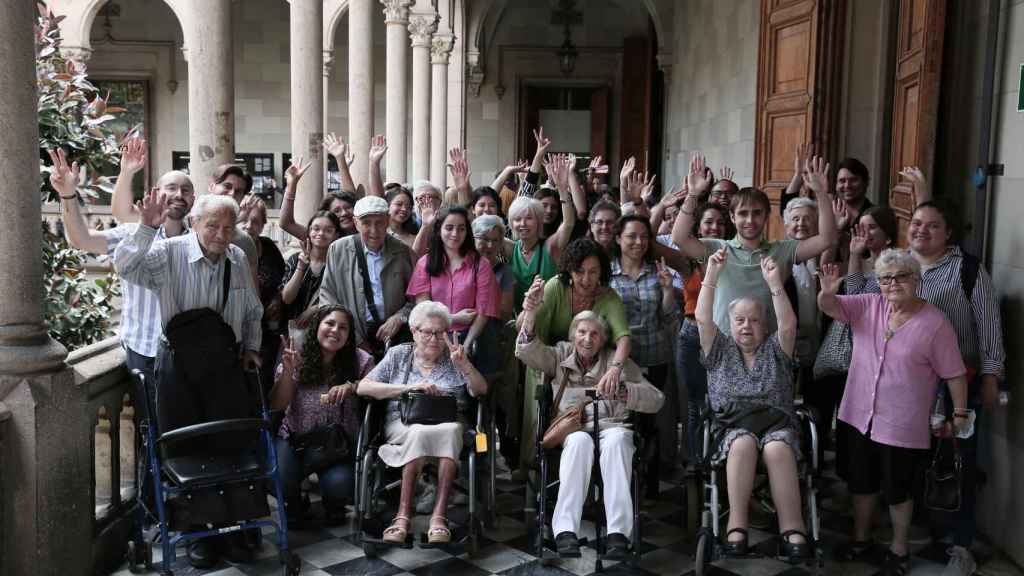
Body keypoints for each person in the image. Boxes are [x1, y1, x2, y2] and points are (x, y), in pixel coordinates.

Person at [113, 191, 263, 568]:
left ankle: (235, 525)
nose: (220, 233)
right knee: (186, 451)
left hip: (226, 365)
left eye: (228, 226)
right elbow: (127, 269)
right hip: (178, 366)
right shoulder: (169, 252)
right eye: (212, 225)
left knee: (232, 444)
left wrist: (253, 349)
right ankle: (200, 533)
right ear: (195, 222)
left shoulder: (238, 257)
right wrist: (147, 227)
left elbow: (252, 311)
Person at [817, 250, 970, 576]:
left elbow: (954, 373)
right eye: (885, 278)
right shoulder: (869, 305)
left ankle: (899, 550)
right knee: (862, 482)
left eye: (901, 276)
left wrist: (959, 414)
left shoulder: (935, 323)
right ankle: (861, 539)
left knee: (897, 488)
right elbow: (831, 308)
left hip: (902, 422)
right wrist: (827, 292)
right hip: (859, 415)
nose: (892, 283)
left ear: (916, 280)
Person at [516, 305, 664, 559]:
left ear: (603, 339)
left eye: (594, 334)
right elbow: (528, 352)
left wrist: (627, 391)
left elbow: (657, 398)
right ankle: (565, 531)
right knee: (578, 444)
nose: (587, 339)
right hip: (575, 427)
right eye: (582, 332)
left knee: (618, 441)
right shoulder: (560, 354)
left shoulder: (617, 363)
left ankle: (618, 533)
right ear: (574, 334)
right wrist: (529, 312)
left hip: (612, 425)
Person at [906, 200, 1005, 575]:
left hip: (958, 383)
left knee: (960, 460)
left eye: (933, 226)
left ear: (948, 233)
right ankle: (924, 526)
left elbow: (989, 325)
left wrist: (993, 375)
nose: (921, 230)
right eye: (916, 223)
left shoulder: (966, 269)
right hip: (909, 383)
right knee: (917, 459)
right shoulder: (899, 264)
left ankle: (962, 546)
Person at [695, 248, 811, 559]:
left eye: (755, 320)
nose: (747, 326)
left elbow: (788, 325)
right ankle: (737, 524)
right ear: (730, 324)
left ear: (764, 325)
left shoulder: (777, 348)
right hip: (732, 426)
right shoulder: (719, 349)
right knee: (743, 443)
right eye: (740, 320)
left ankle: (793, 527)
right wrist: (711, 276)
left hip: (777, 424)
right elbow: (702, 318)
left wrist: (774, 282)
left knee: (776, 448)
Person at [52, 144, 194, 390]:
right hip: (144, 350)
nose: (179, 194)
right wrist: (67, 194)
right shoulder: (133, 232)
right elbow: (81, 239)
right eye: (172, 188)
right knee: (151, 427)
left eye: (186, 190)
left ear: (194, 199)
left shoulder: (198, 242)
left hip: (188, 352)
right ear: (157, 192)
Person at [357, 301, 488, 544]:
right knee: (417, 432)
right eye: (428, 332)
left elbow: (481, 390)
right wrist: (409, 388)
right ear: (414, 331)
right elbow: (364, 386)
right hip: (403, 423)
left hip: (449, 422)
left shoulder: (455, 357)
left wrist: (465, 365)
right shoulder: (398, 354)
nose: (436, 338)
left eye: (441, 332)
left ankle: (439, 517)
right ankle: (402, 515)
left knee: (450, 431)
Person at [671, 153, 837, 336]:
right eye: (743, 213)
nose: (750, 220)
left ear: (766, 216)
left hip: (768, 350)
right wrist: (693, 194)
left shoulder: (782, 250)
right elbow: (679, 237)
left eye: (757, 213)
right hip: (725, 349)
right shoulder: (717, 249)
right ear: (732, 217)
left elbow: (826, 239)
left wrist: (821, 194)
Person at [517, 238, 632, 470]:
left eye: (593, 272)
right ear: (570, 269)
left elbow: (623, 337)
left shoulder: (608, 296)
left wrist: (615, 368)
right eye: (580, 272)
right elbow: (524, 329)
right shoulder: (555, 287)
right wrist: (530, 308)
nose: (586, 279)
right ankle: (533, 474)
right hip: (549, 358)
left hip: (589, 368)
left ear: (602, 272)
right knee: (537, 414)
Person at [271, 305, 373, 525]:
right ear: (317, 326)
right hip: (295, 438)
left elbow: (376, 386)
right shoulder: (297, 356)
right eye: (330, 323)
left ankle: (334, 502)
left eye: (343, 327)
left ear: (349, 335)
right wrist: (289, 372)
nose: (335, 330)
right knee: (279, 479)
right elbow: (278, 404)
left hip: (337, 444)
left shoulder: (360, 359)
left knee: (340, 486)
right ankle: (294, 502)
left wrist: (353, 386)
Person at [608, 215, 679, 495]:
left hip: (655, 356)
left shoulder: (657, 272)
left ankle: (647, 481)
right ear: (618, 239)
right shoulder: (607, 273)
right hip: (620, 362)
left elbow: (669, 317)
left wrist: (666, 291)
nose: (638, 242)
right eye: (631, 236)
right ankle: (620, 479)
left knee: (650, 419)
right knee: (622, 420)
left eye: (643, 237)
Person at [406, 206, 501, 370]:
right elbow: (424, 309)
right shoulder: (425, 263)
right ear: (439, 230)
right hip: (433, 337)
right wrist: (453, 318)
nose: (455, 234)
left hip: (472, 337)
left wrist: (467, 344)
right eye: (449, 228)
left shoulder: (481, 264)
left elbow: (484, 311)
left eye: (461, 228)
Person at [319, 196, 415, 358]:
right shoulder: (338, 249)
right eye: (366, 223)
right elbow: (328, 295)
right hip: (350, 337)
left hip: (392, 337)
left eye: (379, 223)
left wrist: (400, 317)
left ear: (387, 221)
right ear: (356, 223)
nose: (374, 230)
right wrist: (352, 337)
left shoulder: (402, 251)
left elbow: (415, 298)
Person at [676, 203, 728, 464]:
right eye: (709, 222)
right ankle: (695, 462)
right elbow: (657, 243)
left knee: (721, 400)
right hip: (691, 335)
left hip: (722, 336)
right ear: (698, 227)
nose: (714, 227)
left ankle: (719, 457)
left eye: (720, 223)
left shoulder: (732, 258)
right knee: (695, 403)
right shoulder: (688, 262)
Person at [507, 155, 577, 311]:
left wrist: (563, 189)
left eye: (529, 218)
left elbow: (568, 224)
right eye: (517, 219)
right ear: (511, 223)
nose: (523, 223)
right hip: (517, 324)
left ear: (539, 221)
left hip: (548, 322)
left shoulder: (550, 247)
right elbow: (480, 230)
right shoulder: (511, 248)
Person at [239, 196, 287, 394]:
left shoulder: (268, 247)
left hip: (268, 330)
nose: (249, 226)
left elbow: (283, 276)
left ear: (263, 225)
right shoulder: (228, 249)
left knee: (264, 382)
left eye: (256, 221)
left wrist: (278, 297)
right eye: (244, 220)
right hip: (240, 329)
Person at [280, 211, 342, 326]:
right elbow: (286, 298)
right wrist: (301, 267)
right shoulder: (295, 259)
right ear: (309, 231)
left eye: (328, 230)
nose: (321, 233)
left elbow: (342, 299)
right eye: (316, 229)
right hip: (293, 328)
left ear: (336, 235)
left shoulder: (339, 264)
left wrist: (315, 309)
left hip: (326, 329)